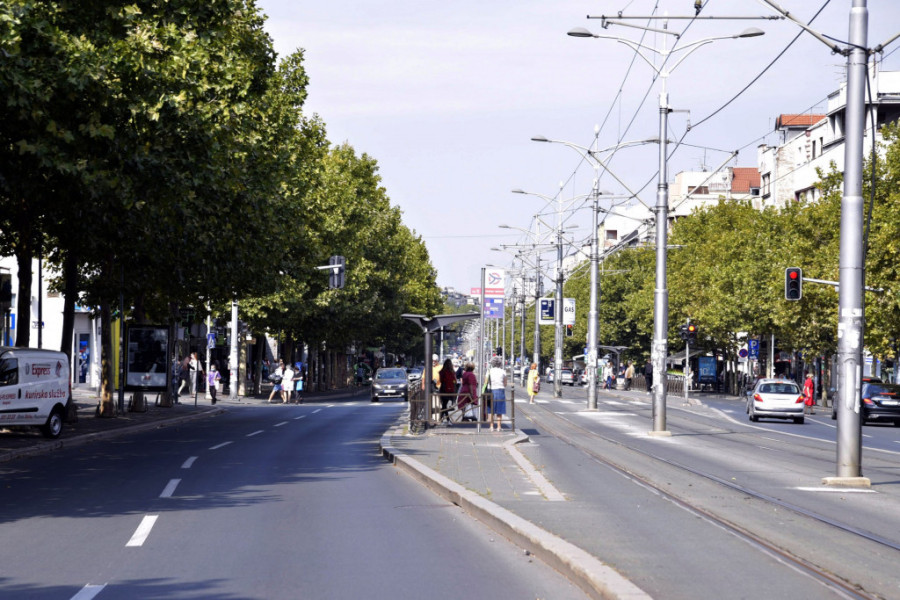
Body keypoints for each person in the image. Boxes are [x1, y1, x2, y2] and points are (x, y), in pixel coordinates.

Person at [488, 356, 507, 432]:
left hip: (491, 390)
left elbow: (486, 381)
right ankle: (499, 427)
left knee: (491, 410)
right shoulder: (503, 371)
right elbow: (505, 383)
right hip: (500, 390)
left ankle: (491, 426)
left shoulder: (489, 371)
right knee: (499, 410)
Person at [438, 358, 456, 424]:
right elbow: (455, 381)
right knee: (444, 405)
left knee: (444, 405)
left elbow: (441, 380)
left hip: (443, 389)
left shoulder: (442, 372)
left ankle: (442, 420)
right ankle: (444, 420)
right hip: (450, 390)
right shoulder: (452, 372)